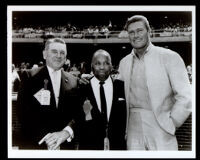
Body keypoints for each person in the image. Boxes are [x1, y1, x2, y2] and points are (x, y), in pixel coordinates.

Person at [117, 15, 192, 150]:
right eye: (131, 32)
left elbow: (186, 96)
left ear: (149, 31)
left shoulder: (170, 57)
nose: (136, 35)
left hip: (162, 124)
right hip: (132, 125)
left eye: (140, 30)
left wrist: (172, 122)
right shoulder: (124, 62)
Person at [17, 38, 81, 150]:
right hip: (36, 145)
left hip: (65, 146)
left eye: (62, 53)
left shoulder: (73, 81)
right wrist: (49, 138)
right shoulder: (29, 77)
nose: (59, 55)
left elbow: (77, 113)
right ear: (44, 54)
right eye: (54, 51)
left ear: (66, 57)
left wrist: (66, 132)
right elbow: (23, 113)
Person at [78, 49, 127, 150]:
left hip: (117, 147)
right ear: (92, 66)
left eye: (106, 63)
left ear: (112, 66)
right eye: (97, 63)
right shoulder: (81, 89)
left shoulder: (122, 87)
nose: (101, 67)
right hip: (90, 148)